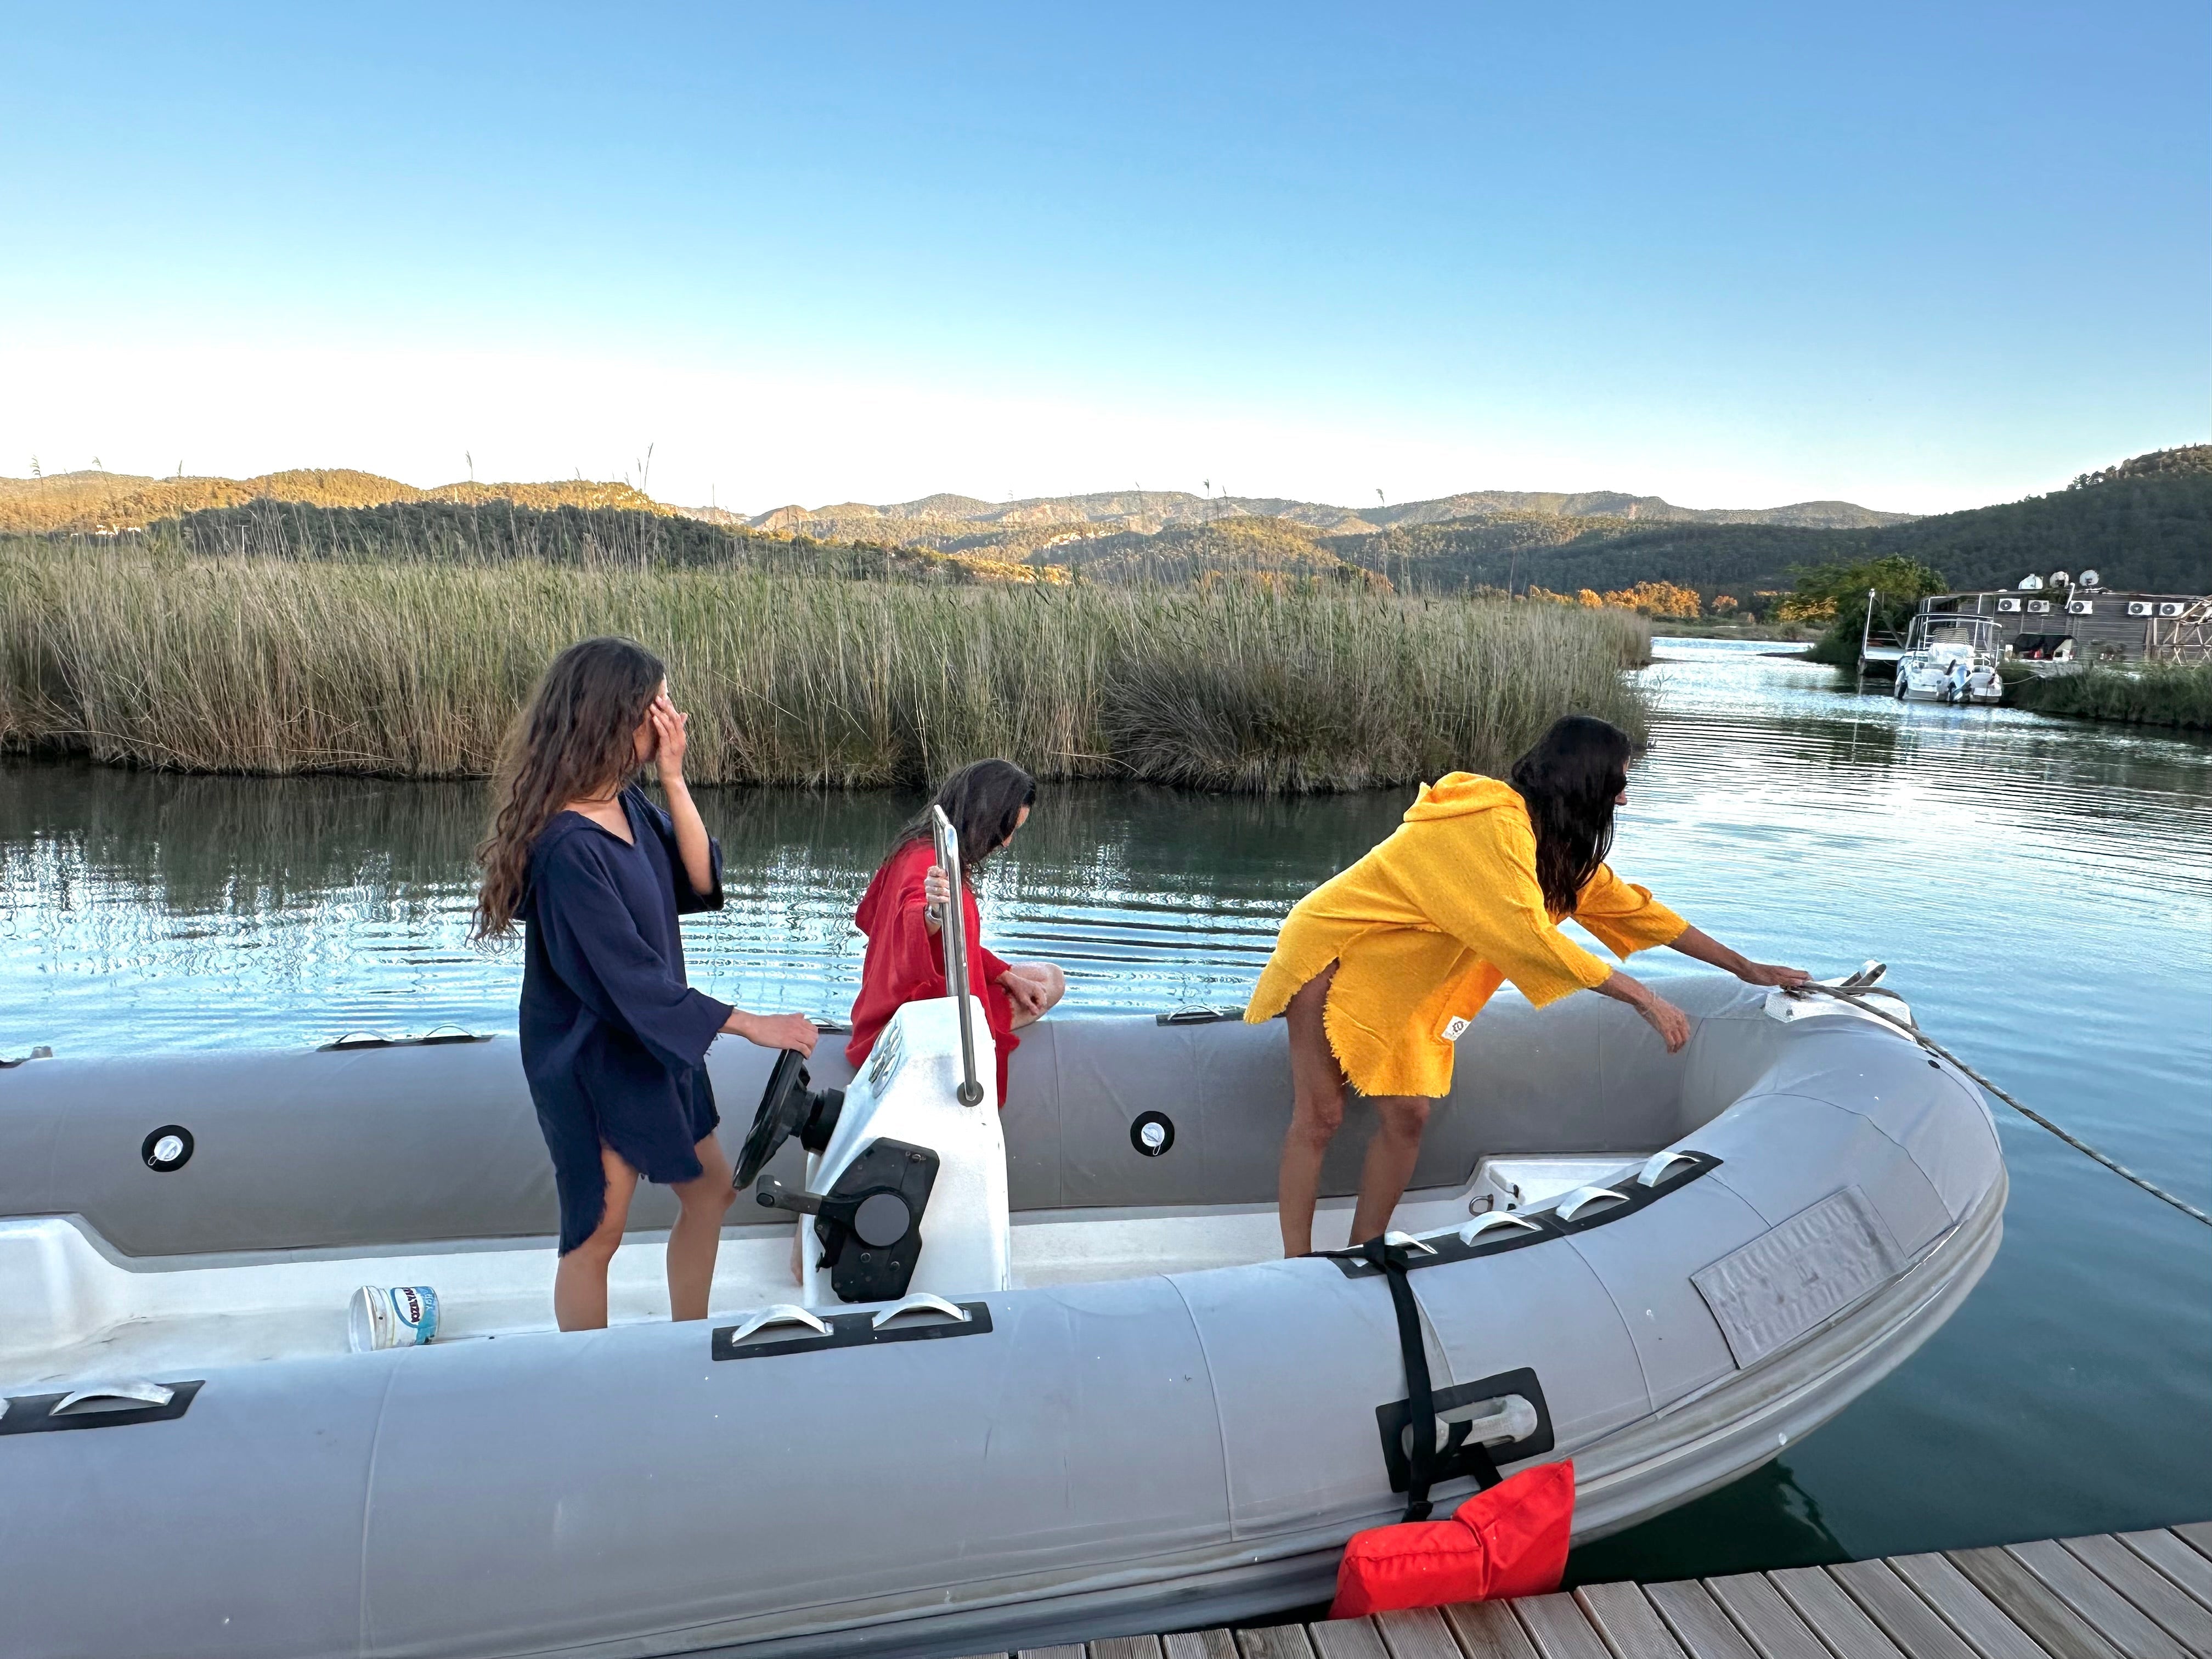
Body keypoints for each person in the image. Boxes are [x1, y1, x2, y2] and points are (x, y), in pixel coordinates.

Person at [1246, 714, 1808, 1257]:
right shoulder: (1490, 826)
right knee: (1321, 1116)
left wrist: (1746, 968)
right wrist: (1645, 998)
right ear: (1585, 780)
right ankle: (1297, 1264)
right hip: (1335, 946)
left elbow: (1641, 913)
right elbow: (1527, 939)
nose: (1623, 799)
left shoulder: (1553, 849)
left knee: (1409, 1116)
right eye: (1617, 782)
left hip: (1399, 970)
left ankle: (1364, 1251)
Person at [472, 636, 817, 1331]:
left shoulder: (626, 805)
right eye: (657, 706)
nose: (671, 718)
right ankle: (589, 1371)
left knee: (711, 1193)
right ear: (613, 717)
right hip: (592, 1057)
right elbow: (627, 976)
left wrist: (675, 779)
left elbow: (699, 878)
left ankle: (689, 1336)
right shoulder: (567, 848)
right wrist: (751, 1024)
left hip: (656, 1044)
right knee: (598, 1232)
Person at [847, 759, 1065, 1105]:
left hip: (903, 1000)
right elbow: (915, 918)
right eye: (1005, 830)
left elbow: (891, 924)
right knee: (1052, 983)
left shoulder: (914, 846)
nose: (1006, 843)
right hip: (914, 1024)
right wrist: (933, 911)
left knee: (1046, 977)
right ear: (983, 817)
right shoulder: (931, 866)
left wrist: (1007, 976)